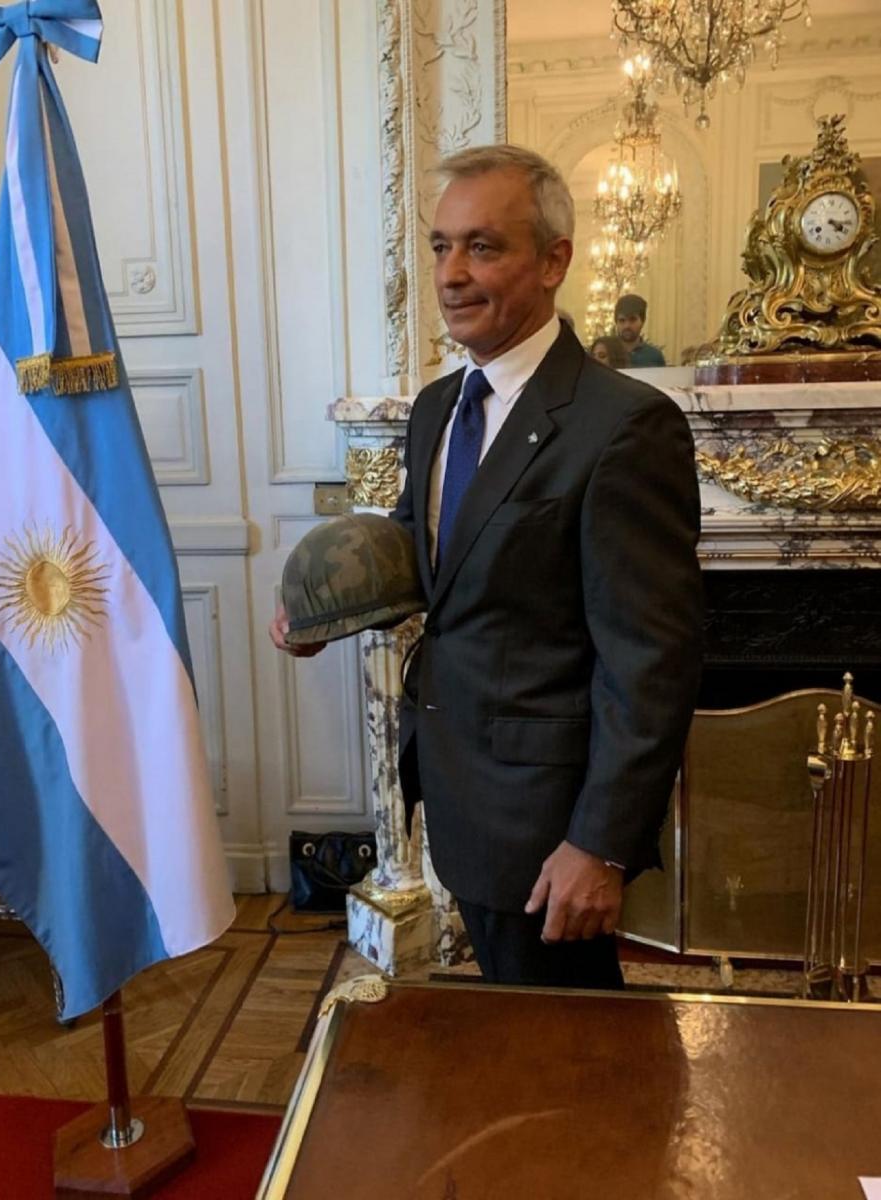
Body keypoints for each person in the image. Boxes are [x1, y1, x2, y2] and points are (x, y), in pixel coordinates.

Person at [272, 144, 702, 991]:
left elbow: (649, 661)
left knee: (565, 1057)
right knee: (516, 1036)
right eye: (440, 246)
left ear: (554, 262)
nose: (452, 274)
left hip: (547, 821)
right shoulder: (438, 406)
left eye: (483, 247)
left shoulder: (623, 427)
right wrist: (324, 616)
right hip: (459, 783)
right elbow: (426, 550)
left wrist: (599, 844)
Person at [614, 293, 666, 366]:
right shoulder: (606, 354)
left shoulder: (654, 356)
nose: (627, 326)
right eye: (622, 320)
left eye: (632, 320)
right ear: (616, 322)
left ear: (642, 321)